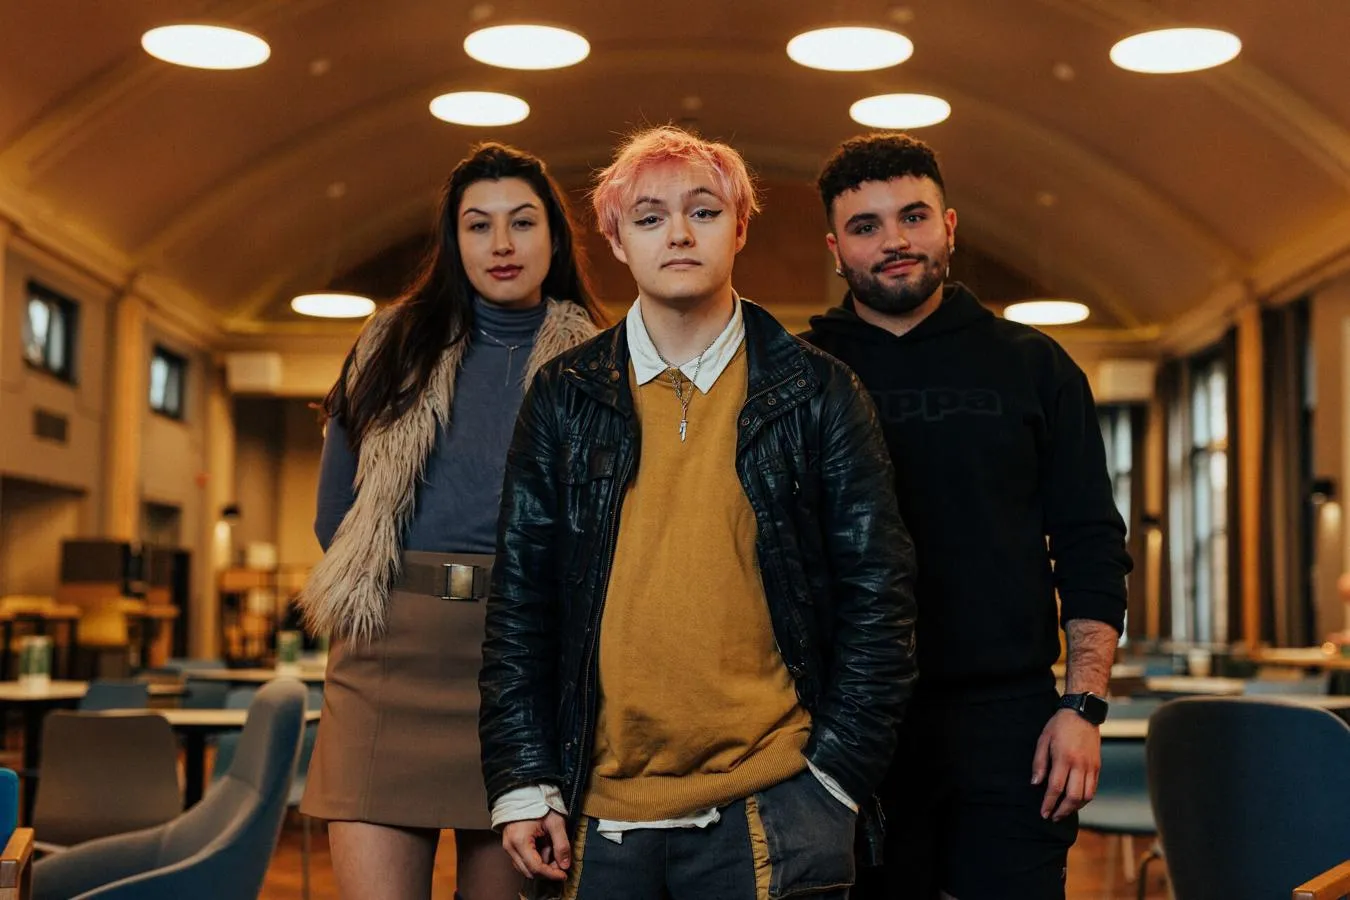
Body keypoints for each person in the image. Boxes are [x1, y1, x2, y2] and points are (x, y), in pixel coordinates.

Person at [478, 125, 918, 900]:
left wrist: (835, 782)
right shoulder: (563, 395)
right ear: (616, 239)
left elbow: (879, 600)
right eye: (649, 218)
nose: (678, 233)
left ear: (740, 227)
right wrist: (522, 780)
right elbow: (521, 601)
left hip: (775, 806)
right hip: (594, 818)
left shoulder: (820, 392)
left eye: (704, 212)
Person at [802, 133, 1133, 900]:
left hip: (1012, 719)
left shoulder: (1035, 366)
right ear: (836, 247)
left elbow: (1090, 543)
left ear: (949, 225)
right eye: (866, 226)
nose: (894, 241)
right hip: (852, 722)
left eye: (912, 217)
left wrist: (1082, 706)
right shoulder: (800, 375)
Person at [297, 142, 604, 900]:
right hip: (385, 658)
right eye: (478, 225)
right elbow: (337, 512)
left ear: (555, 239)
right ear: (452, 240)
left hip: (521, 663)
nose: (501, 245)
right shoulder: (390, 341)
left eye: (522, 222)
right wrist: (397, 596)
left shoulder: (602, 363)